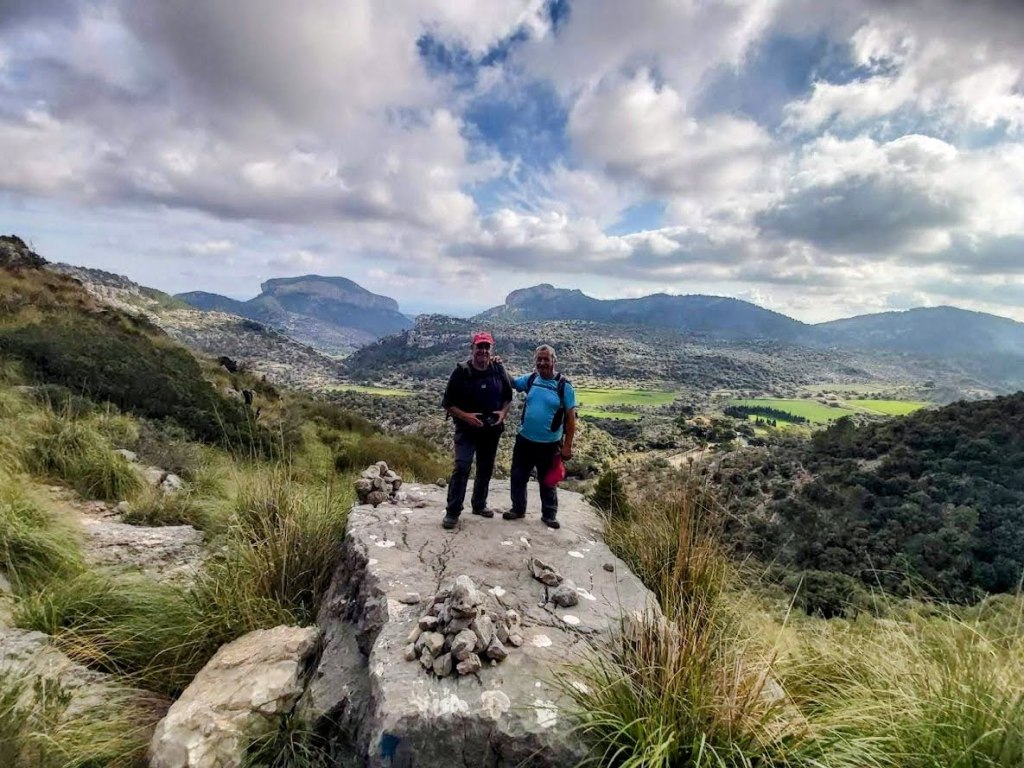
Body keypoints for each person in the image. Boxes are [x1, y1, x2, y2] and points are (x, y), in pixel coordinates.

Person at [440, 331, 512, 530]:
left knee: (485, 468)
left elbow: (508, 397)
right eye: (479, 346)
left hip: (491, 429)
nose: (483, 350)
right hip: (466, 430)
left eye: (486, 347)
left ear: (491, 349)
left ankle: (479, 505)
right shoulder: (461, 372)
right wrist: (467, 417)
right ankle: (452, 512)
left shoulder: (498, 369)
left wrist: (503, 413)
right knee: (462, 466)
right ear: (472, 348)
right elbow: (448, 403)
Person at [504, 344, 576, 529]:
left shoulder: (564, 386)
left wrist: (567, 446)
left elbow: (570, 419)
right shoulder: (531, 379)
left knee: (548, 480)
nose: (542, 362)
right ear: (535, 361)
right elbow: (512, 383)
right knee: (518, 476)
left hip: (550, 444)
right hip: (525, 440)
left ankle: (549, 515)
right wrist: (499, 366)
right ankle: (518, 509)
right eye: (539, 359)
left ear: (554, 360)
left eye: (546, 359)